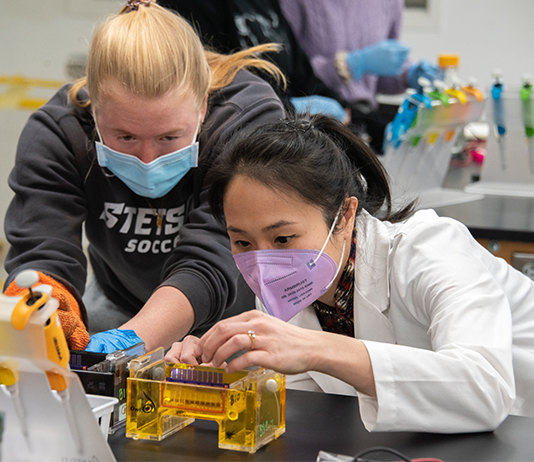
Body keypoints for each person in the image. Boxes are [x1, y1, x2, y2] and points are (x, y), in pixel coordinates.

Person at [165, 112, 534, 433]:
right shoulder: (286, 289)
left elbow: (485, 388)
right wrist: (217, 375)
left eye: (283, 237)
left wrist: (316, 349)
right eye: (242, 242)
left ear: (344, 216)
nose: (263, 264)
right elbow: (308, 408)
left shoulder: (428, 249)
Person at [2, 0, 285, 353]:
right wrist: (49, 303)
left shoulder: (247, 119)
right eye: (125, 137)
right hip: (120, 303)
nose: (148, 158)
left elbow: (215, 253)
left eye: (169, 138)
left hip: (238, 313)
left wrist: (132, 340)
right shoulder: (61, 132)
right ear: (95, 111)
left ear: (202, 108)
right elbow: (44, 248)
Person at [278, 0, 440, 153]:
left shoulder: (390, 3)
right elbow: (290, 71)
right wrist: (347, 66)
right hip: (313, 122)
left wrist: (407, 75)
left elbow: (379, 77)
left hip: (365, 120)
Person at [159, 0, 349, 123]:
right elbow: (205, 90)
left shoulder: (267, 4)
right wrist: (287, 108)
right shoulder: (188, 5)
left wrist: (355, 114)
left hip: (283, 133)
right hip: (238, 148)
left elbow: (303, 75)